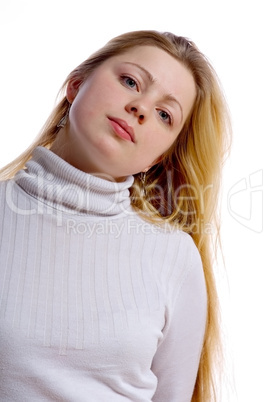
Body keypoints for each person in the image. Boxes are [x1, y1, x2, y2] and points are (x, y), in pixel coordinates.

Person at [0, 30, 231, 401]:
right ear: (76, 84)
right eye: (130, 81)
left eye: (164, 114)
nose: (140, 108)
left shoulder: (174, 257)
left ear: (158, 157)